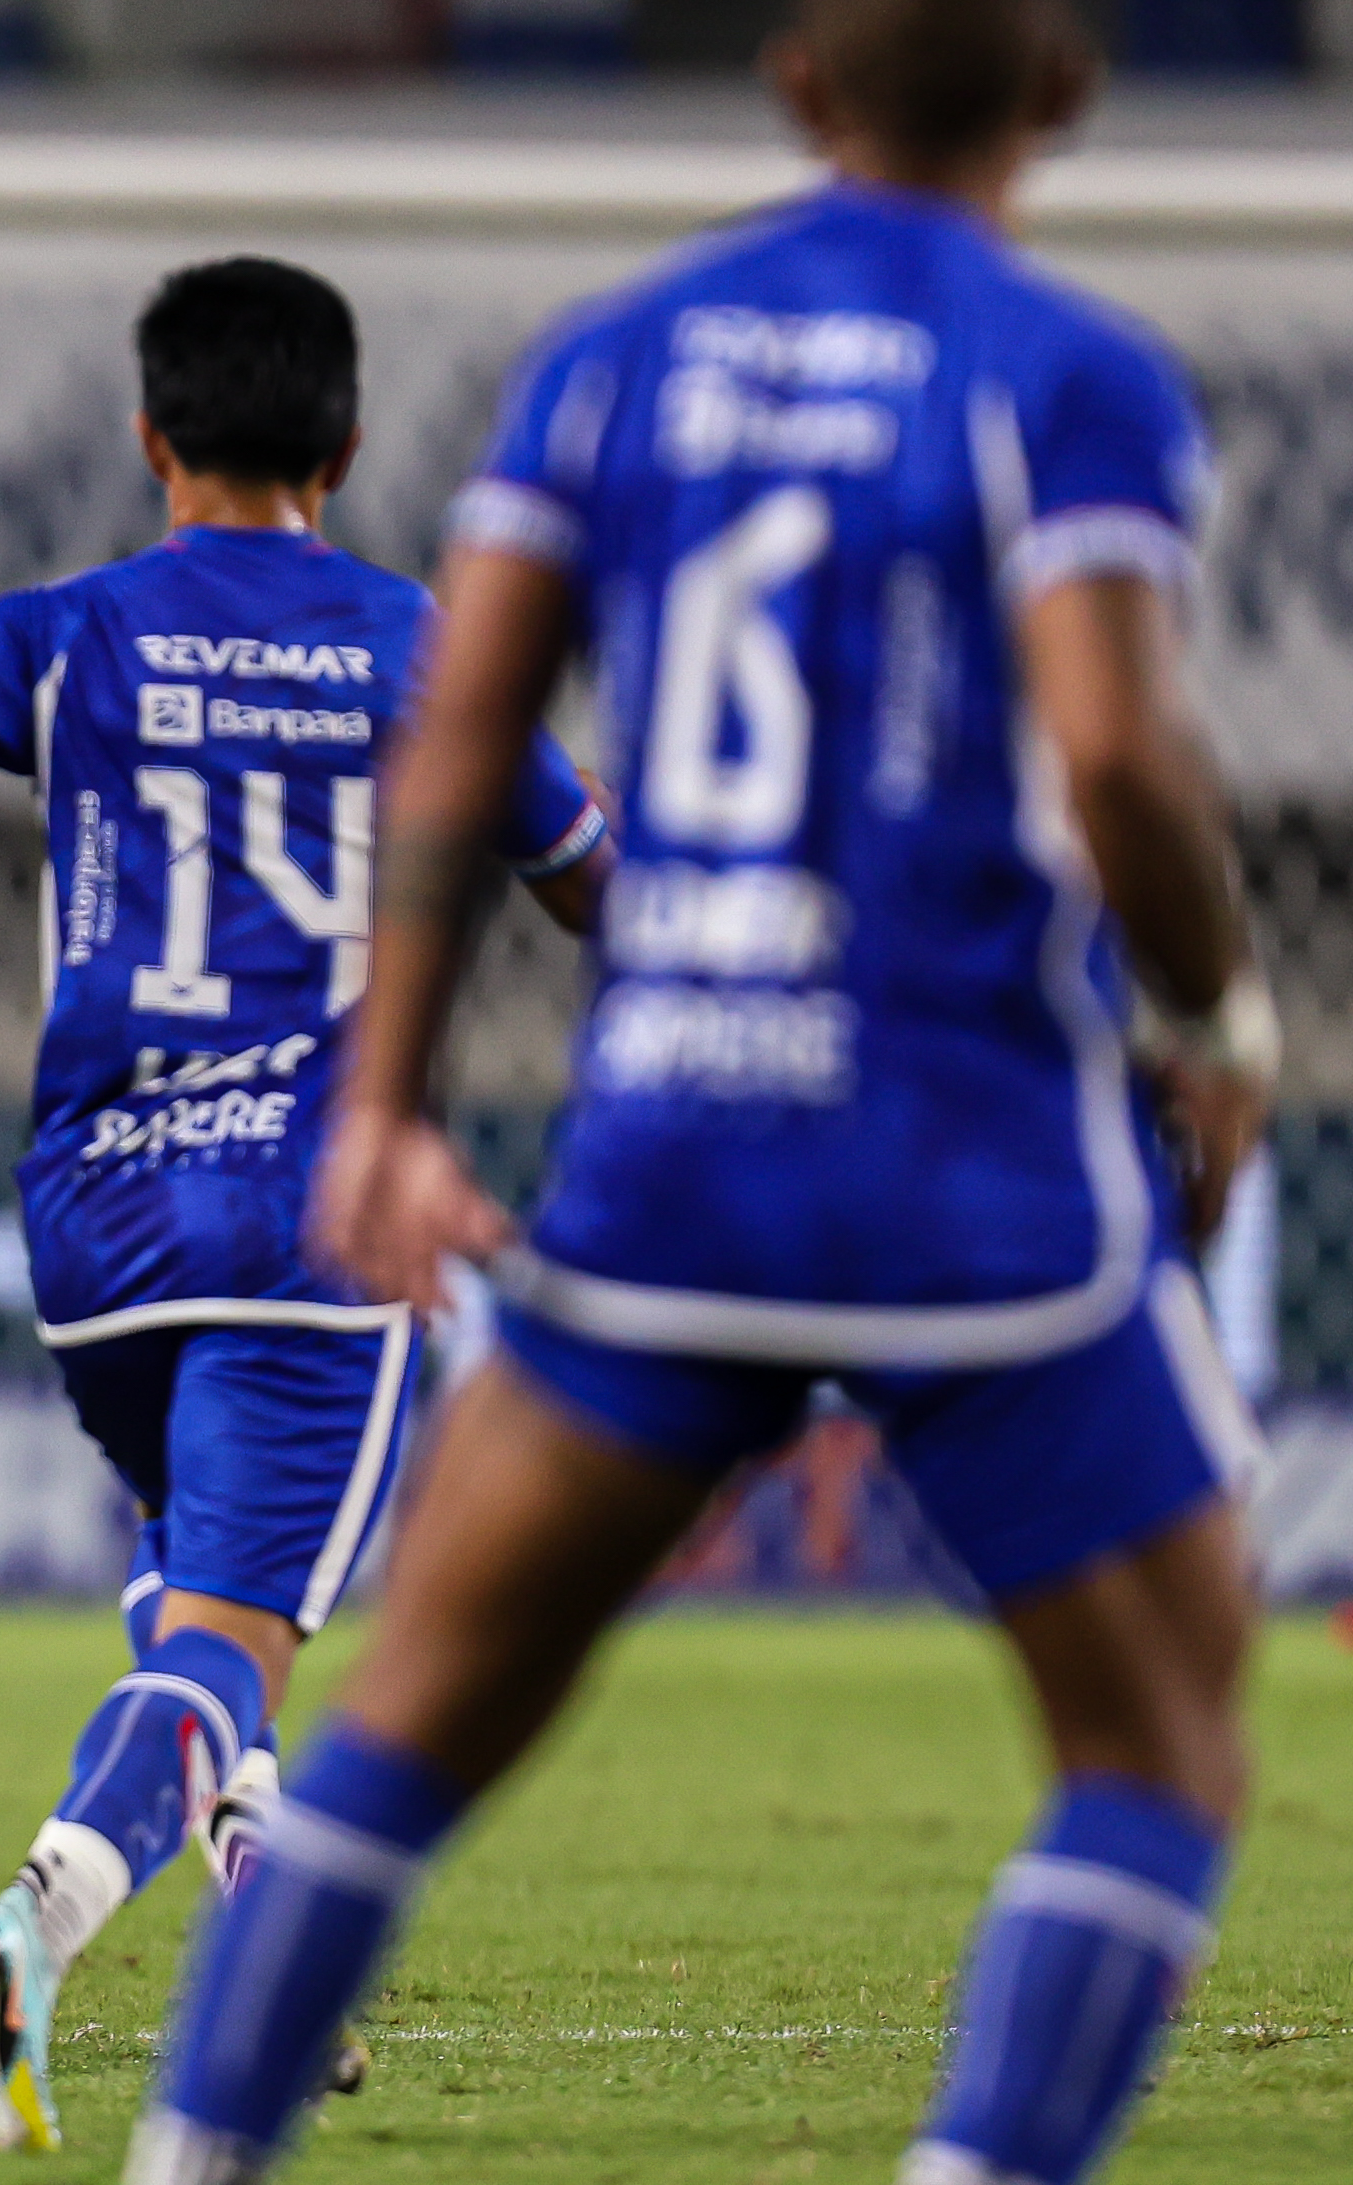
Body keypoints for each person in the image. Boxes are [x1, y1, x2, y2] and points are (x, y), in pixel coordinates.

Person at [123, 4, 1275, 2180]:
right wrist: (1218, 1019)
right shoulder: (1071, 370)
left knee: (404, 1731)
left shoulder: (613, 359)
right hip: (972, 1175)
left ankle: (189, 2163)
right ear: (1064, 87)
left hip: (674, 1152)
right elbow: (1117, 752)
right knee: (1159, 1740)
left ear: (793, 81)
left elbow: (461, 744)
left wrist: (382, 1104)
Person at [0, 258, 612, 2154]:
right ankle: (29, 1930)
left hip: (95, 1214)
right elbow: (593, 885)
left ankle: (244, 1880)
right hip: (317, 1217)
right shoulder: (421, 643)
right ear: (341, 446)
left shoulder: (68, 628)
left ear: (151, 441)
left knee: (183, 1556)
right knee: (232, 1640)